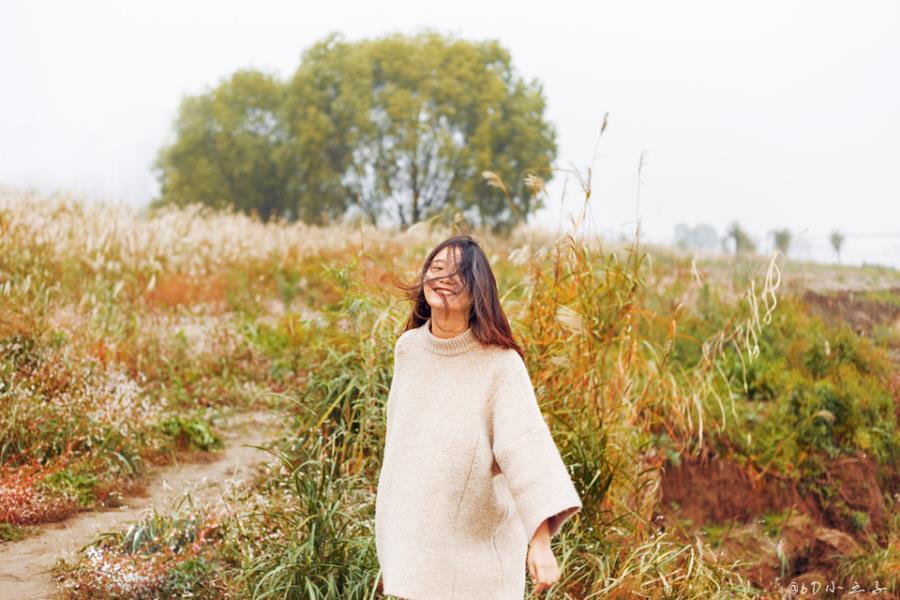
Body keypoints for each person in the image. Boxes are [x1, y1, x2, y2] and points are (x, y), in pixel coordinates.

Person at [375, 234, 583, 599]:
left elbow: (526, 451)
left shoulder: (500, 366)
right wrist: (393, 546)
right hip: (416, 548)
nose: (443, 279)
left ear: (479, 292)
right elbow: (400, 453)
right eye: (436, 269)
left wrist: (540, 541)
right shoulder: (408, 350)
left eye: (458, 275)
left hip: (476, 563)